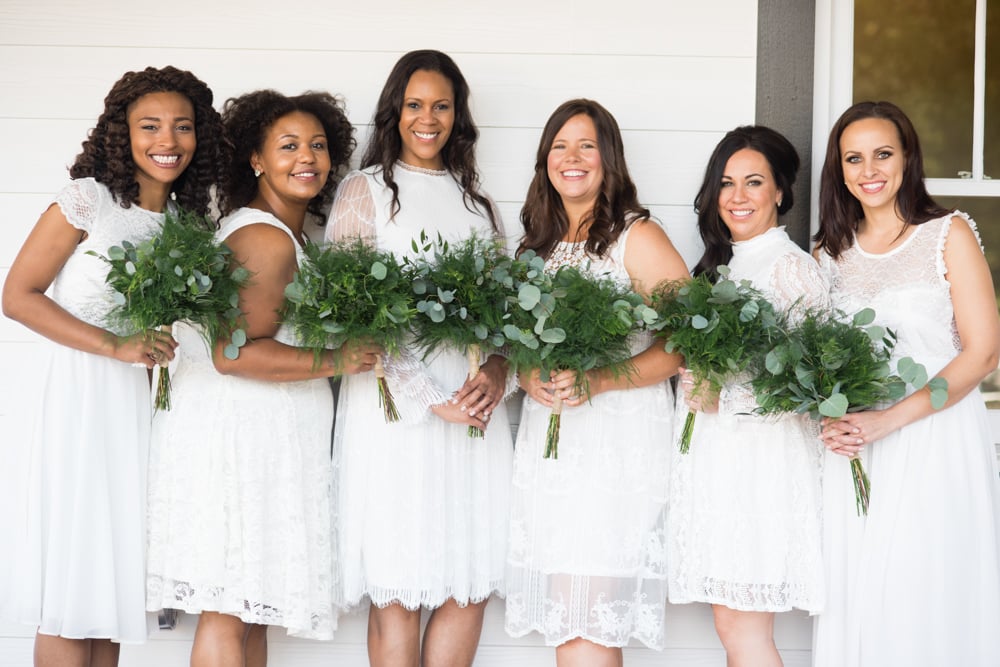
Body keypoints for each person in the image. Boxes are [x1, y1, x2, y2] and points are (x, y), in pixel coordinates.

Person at [144, 90, 379, 667]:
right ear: (256, 158)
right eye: (289, 145)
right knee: (229, 611)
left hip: (261, 437)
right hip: (240, 442)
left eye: (318, 146)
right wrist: (339, 360)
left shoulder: (281, 232)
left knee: (248, 614)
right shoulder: (266, 238)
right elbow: (233, 354)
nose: (308, 158)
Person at [0, 66, 223, 667]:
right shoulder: (87, 200)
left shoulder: (188, 227)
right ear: (119, 133)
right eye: (149, 126)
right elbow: (17, 295)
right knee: (74, 582)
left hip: (142, 415)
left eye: (182, 127)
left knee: (108, 589)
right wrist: (115, 346)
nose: (167, 141)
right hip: (80, 401)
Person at [325, 50, 513, 667]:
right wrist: (431, 401)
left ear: (458, 116)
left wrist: (495, 372)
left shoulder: (477, 204)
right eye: (414, 105)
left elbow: (508, 314)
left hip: (473, 414)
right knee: (399, 585)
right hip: (395, 417)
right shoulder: (366, 191)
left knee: (469, 580)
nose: (426, 119)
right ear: (393, 112)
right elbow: (352, 316)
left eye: (441, 106)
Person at [811, 100, 1000, 666]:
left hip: (934, 440)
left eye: (883, 154)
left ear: (908, 158)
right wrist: (830, 417)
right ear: (839, 170)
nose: (869, 170)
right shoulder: (828, 254)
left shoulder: (948, 234)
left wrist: (889, 420)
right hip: (856, 454)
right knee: (862, 595)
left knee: (924, 587)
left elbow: (984, 352)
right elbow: (817, 359)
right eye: (854, 158)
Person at [503, 98, 687, 665]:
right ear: (545, 160)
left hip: (615, 442)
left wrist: (602, 380)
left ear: (608, 159)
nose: (572, 157)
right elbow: (517, 342)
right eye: (559, 145)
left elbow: (686, 343)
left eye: (586, 145)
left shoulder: (637, 236)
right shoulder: (538, 243)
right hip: (553, 446)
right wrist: (528, 371)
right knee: (570, 615)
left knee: (590, 614)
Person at [667, 126, 826, 667]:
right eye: (726, 183)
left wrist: (723, 394)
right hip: (719, 464)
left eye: (753, 182)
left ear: (780, 191)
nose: (737, 196)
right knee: (731, 624)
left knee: (744, 629)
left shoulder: (792, 269)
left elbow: (809, 387)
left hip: (760, 471)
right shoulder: (722, 269)